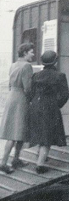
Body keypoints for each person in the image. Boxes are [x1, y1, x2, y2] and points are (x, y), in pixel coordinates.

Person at [28, 50, 69, 174]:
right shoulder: (60, 75)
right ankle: (40, 164)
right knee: (48, 134)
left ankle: (41, 155)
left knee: (41, 131)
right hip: (50, 106)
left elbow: (31, 93)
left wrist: (35, 102)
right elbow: (65, 94)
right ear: (55, 61)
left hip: (36, 105)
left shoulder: (36, 76)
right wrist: (57, 105)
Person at [0, 43, 34, 174]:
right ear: (25, 53)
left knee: (17, 130)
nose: (32, 54)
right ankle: (4, 163)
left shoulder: (13, 64)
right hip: (21, 99)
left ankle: (15, 160)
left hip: (12, 97)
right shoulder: (26, 66)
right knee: (15, 132)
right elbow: (27, 88)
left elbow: (10, 84)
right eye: (31, 52)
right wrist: (31, 100)